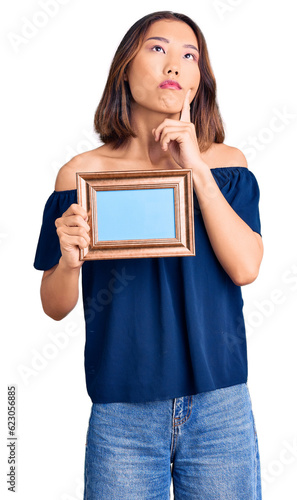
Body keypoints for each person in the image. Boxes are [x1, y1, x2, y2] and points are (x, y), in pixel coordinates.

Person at [33, 10, 264, 500]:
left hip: (219, 405)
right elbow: (54, 305)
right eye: (158, 49)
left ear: (200, 80)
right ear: (125, 67)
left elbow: (246, 267)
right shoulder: (81, 176)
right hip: (122, 413)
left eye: (189, 55)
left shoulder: (226, 167)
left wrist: (196, 169)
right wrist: (70, 260)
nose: (175, 64)